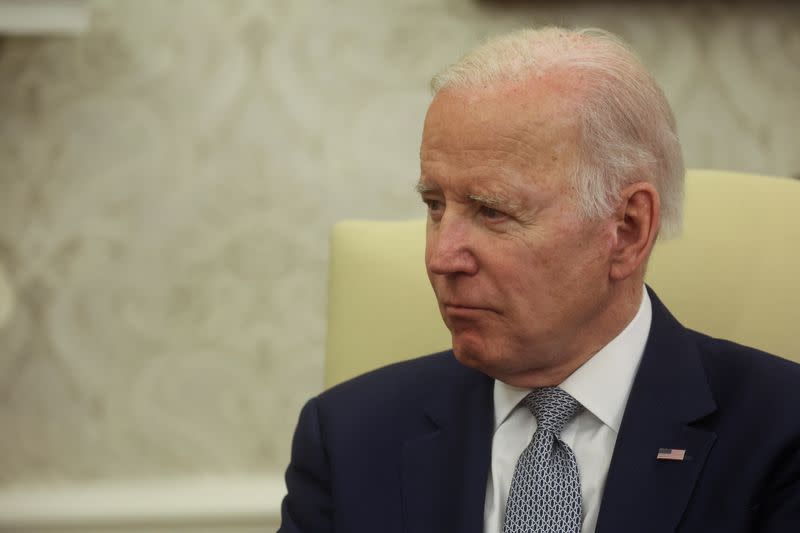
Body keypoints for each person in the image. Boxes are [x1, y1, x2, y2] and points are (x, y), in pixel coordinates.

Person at [278, 27, 800, 533]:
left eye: (492, 212)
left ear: (626, 229)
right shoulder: (348, 436)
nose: (441, 256)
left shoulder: (780, 432)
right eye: (435, 206)